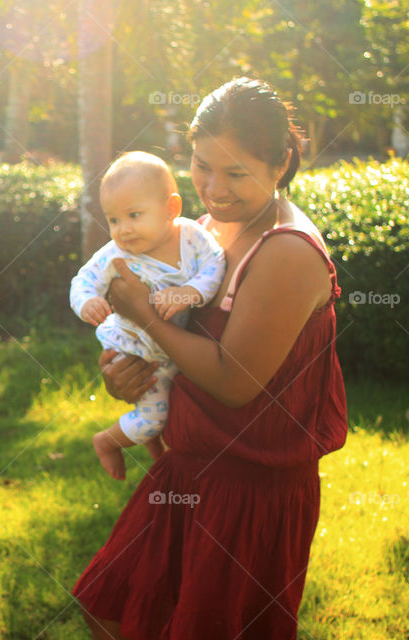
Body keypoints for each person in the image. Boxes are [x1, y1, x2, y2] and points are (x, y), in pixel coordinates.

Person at [73, 77, 348, 640]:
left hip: (250, 492)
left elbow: (233, 380)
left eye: (236, 173)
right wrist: (126, 373)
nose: (214, 189)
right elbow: (171, 348)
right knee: (113, 610)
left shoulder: (288, 252)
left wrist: (146, 314)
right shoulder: (199, 233)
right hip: (189, 468)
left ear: (280, 164)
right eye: (202, 166)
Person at [69, 151, 225, 479]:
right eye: (113, 220)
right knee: (153, 415)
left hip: (174, 352)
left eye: (134, 215)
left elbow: (216, 262)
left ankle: (152, 443)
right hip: (135, 350)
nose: (123, 230)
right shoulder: (115, 254)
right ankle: (107, 441)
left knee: (167, 413)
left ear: (171, 208)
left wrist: (190, 292)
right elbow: (83, 280)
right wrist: (86, 303)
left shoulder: (192, 238)